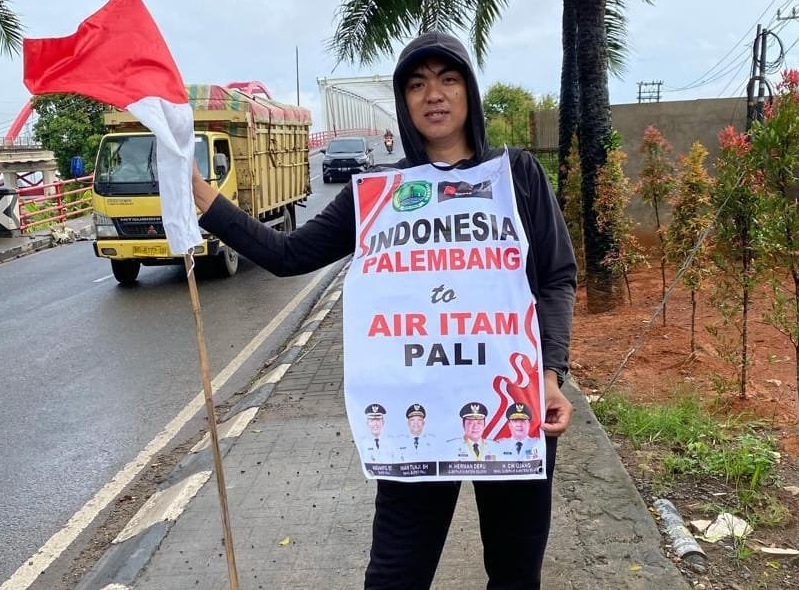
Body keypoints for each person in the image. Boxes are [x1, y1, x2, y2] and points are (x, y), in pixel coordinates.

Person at [192, 31, 577, 589]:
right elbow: (287, 254)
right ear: (403, 101)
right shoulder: (380, 193)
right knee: (396, 576)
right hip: (413, 414)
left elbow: (557, 277)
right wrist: (201, 195)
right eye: (417, 84)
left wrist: (550, 375)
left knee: (515, 576)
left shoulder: (516, 175)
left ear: (469, 91)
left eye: (448, 79)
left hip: (512, 407)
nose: (433, 94)